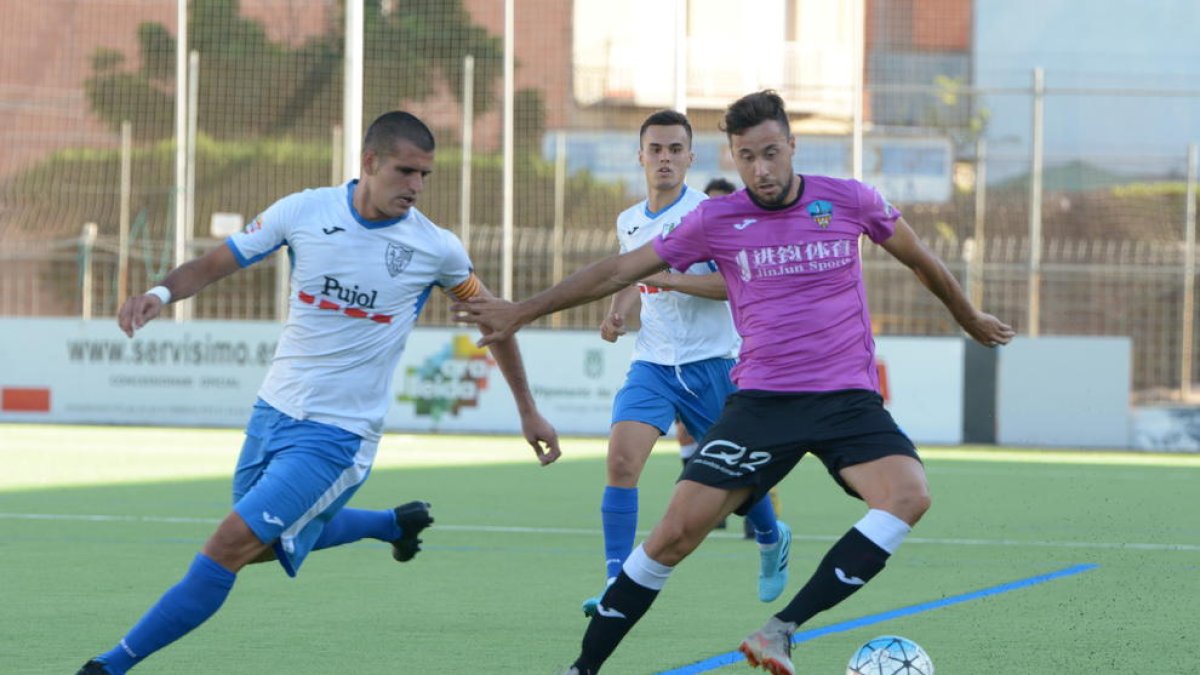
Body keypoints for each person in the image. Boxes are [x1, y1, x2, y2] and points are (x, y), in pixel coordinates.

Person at [451, 90, 1014, 675]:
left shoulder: (847, 200)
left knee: (908, 495)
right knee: (673, 535)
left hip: (847, 399)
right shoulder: (718, 220)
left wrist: (968, 316)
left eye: (771, 153)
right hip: (762, 403)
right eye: (747, 157)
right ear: (733, 157)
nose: (761, 170)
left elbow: (919, 256)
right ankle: (582, 668)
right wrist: (523, 310)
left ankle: (781, 630)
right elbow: (619, 270)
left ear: (793, 145)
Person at [75, 111, 561, 675]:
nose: (417, 187)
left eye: (426, 175)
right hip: (274, 410)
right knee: (258, 544)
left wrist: (529, 411)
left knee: (229, 545)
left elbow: (494, 320)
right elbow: (214, 263)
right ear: (370, 162)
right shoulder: (304, 211)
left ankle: (109, 666)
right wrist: (159, 292)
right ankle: (389, 525)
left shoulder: (436, 249)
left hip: (339, 436)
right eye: (406, 171)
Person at [582, 110, 788, 619]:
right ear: (641, 157)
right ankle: (616, 584)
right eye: (656, 149)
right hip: (652, 363)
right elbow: (632, 276)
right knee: (622, 462)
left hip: (712, 365)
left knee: (736, 479)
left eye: (676, 149)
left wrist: (672, 280)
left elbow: (731, 285)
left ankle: (770, 536)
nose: (665, 158)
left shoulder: (709, 215)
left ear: (691, 158)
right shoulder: (629, 220)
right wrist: (619, 311)